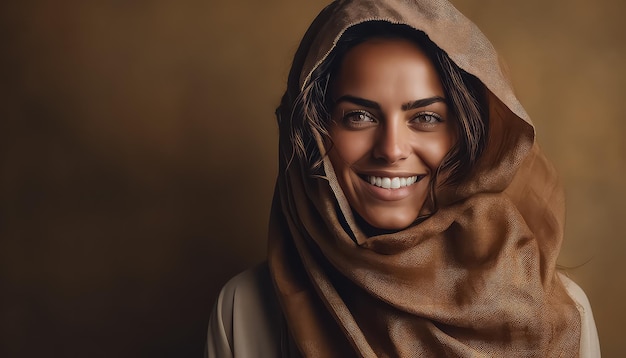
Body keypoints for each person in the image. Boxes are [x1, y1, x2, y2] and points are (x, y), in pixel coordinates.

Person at [206, 0, 601, 356]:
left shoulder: (556, 313)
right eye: (359, 116)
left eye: (425, 118)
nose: (391, 149)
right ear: (314, 133)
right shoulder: (244, 309)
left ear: (464, 135)